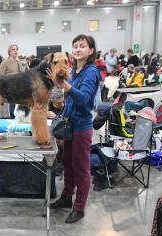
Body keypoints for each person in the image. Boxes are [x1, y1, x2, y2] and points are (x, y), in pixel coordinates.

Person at [49, 34, 100, 223]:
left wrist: (65, 86)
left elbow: (85, 99)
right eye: (75, 46)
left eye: (82, 46)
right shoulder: (75, 71)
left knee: (81, 168)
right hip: (70, 126)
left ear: (91, 50)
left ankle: (79, 208)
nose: (78, 49)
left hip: (81, 128)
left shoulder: (91, 71)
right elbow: (72, 99)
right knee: (68, 165)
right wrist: (60, 109)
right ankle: (66, 197)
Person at [0, 43, 21, 118]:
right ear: (9, 51)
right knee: (11, 112)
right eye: (13, 49)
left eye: (16, 49)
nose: (15, 51)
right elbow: (0, 77)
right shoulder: (5, 62)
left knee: (17, 112)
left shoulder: (19, 62)